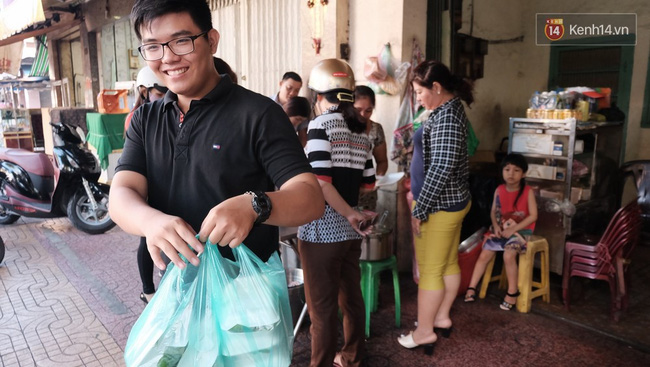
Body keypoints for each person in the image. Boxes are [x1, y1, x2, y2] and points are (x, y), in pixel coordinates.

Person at [110, 0, 324, 293]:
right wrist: (149, 221)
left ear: (212, 40)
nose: (168, 57)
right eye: (153, 47)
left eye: (181, 41)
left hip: (247, 296)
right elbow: (121, 194)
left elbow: (310, 198)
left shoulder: (259, 114)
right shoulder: (146, 120)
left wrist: (254, 205)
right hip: (177, 293)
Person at [298, 59, 375, 367]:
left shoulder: (320, 125)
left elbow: (320, 183)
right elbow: (368, 184)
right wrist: (352, 214)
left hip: (320, 231)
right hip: (349, 234)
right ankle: (352, 357)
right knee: (352, 299)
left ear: (319, 95)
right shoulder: (362, 131)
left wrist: (346, 213)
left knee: (322, 311)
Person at [397, 60, 473, 355]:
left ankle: (424, 331)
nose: (418, 98)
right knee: (448, 264)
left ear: (436, 88)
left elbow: (441, 168)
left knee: (430, 271)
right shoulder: (442, 112)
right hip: (449, 204)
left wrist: (420, 208)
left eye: (419, 92)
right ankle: (440, 317)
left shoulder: (447, 119)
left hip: (439, 207)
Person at [464, 153, 538, 310]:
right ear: (502, 171)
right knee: (484, 254)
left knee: (508, 254)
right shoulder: (499, 189)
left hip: (521, 233)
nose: (511, 174)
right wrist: (496, 226)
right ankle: (471, 287)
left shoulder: (528, 191)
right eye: (507, 169)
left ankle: (512, 292)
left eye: (516, 170)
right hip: (502, 230)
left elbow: (533, 216)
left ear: (524, 173)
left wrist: (513, 229)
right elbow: (493, 211)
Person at [354, 85, 388, 211]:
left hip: (368, 192)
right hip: (344, 192)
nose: (363, 115)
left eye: (368, 110)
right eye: (358, 110)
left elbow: (382, 161)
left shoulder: (375, 129)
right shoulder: (342, 127)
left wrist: (378, 179)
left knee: (366, 227)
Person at [124, 66, 168, 131]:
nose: (165, 99)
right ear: (144, 92)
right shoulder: (135, 119)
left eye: (168, 95)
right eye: (159, 94)